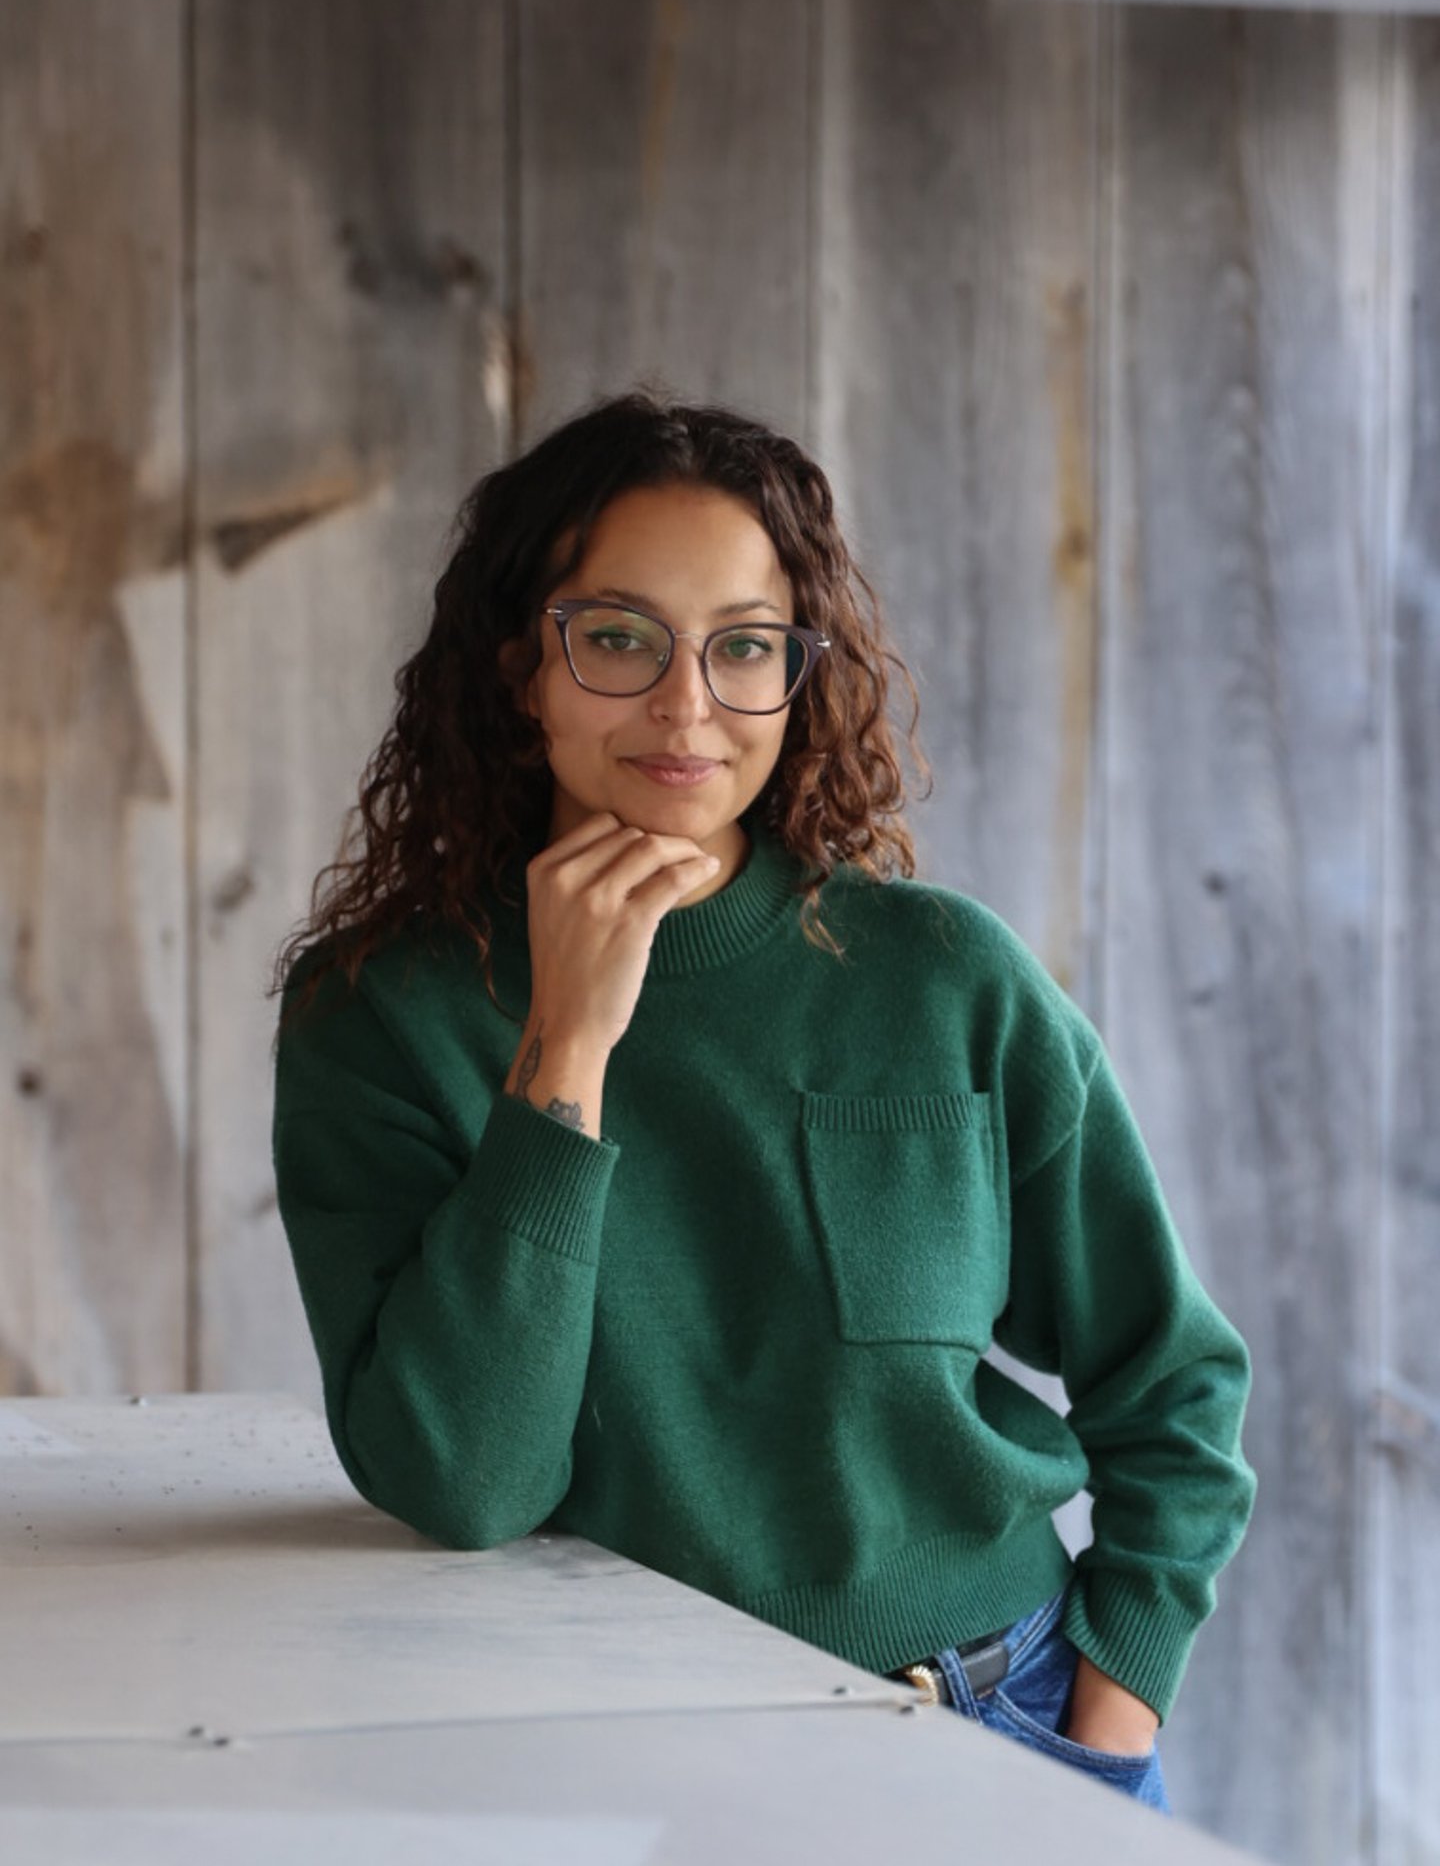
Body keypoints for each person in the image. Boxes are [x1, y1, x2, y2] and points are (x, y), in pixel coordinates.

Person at [269, 388, 1256, 1816]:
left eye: (743, 649)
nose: (687, 707)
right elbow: (466, 1483)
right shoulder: (381, 1017)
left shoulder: (939, 979)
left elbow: (1174, 1381)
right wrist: (565, 1050)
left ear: (799, 677)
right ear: (517, 669)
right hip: (621, 1766)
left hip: (1007, 1729)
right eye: (617, 638)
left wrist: (1109, 1717)